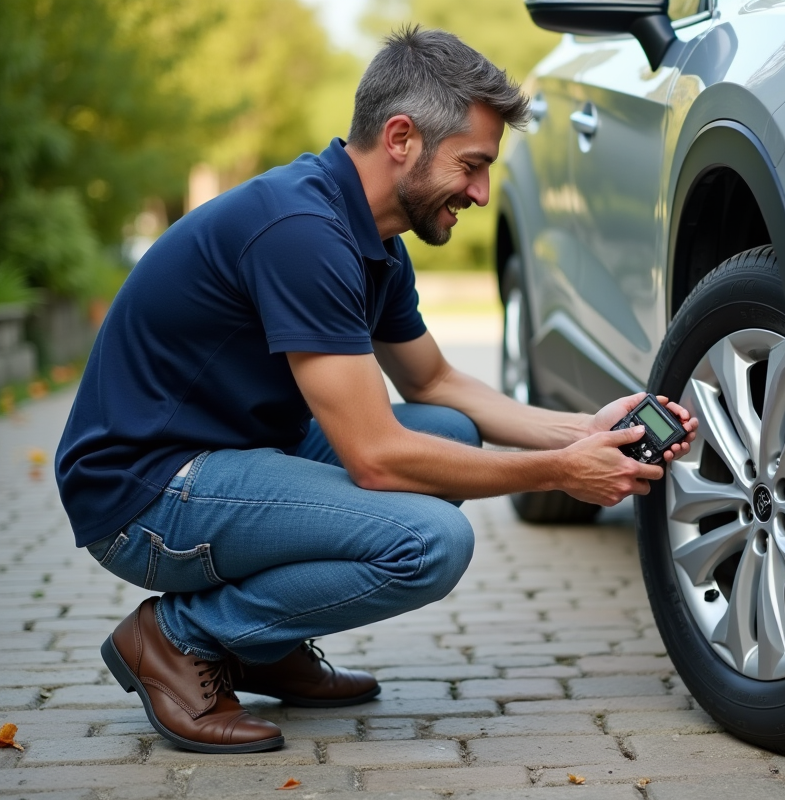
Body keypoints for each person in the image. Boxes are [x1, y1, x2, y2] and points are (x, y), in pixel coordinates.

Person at [54, 26, 697, 755]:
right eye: (473, 166)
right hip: (142, 492)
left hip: (229, 451)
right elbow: (377, 461)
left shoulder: (374, 238)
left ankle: (267, 643)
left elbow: (434, 381)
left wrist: (585, 431)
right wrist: (558, 474)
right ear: (401, 138)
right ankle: (175, 639)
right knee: (430, 542)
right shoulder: (302, 231)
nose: (483, 193)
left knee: (448, 433)